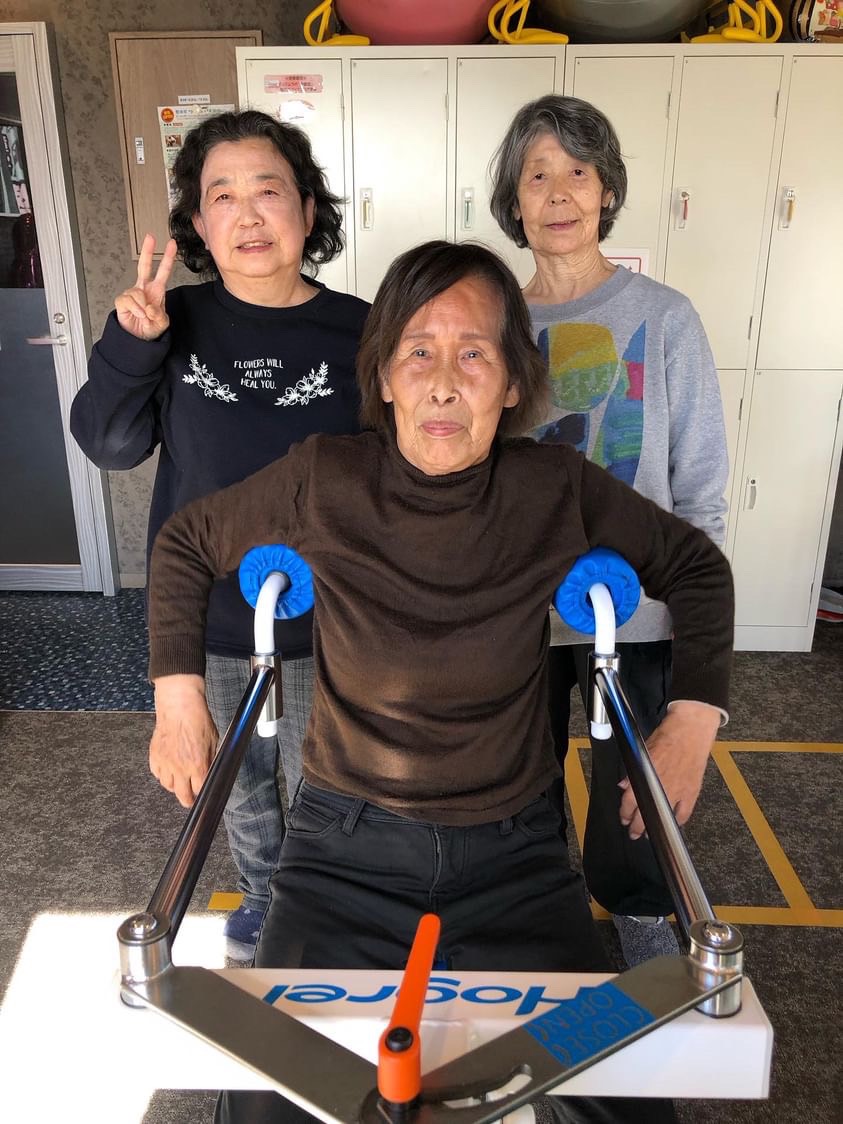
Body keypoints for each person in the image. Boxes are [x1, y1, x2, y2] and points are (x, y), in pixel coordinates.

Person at [145, 239, 732, 1124]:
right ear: (384, 377)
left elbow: (697, 568)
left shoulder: (553, 485)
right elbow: (186, 546)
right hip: (342, 849)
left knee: (618, 1096)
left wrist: (689, 720)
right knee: (267, 1099)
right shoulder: (326, 475)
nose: (444, 383)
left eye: (474, 354)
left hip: (518, 855)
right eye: (417, 352)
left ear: (512, 383)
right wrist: (179, 698)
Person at [70, 110, 369, 960]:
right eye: (222, 196)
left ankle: (321, 917)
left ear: (306, 210)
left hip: (330, 624)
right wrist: (132, 344)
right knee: (237, 789)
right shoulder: (166, 321)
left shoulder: (362, 328)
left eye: (268, 191)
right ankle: (264, 902)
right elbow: (109, 445)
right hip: (202, 620)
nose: (247, 214)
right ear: (198, 223)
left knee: (325, 787)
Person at [489, 95, 730, 967]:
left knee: (634, 789)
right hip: (521, 612)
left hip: (640, 612)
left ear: (607, 191)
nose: (557, 193)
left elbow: (701, 491)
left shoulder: (664, 317)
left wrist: (696, 637)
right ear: (512, 201)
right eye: (536, 175)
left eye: (577, 172)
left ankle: (638, 914)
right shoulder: (495, 323)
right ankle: (533, 910)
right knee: (515, 782)